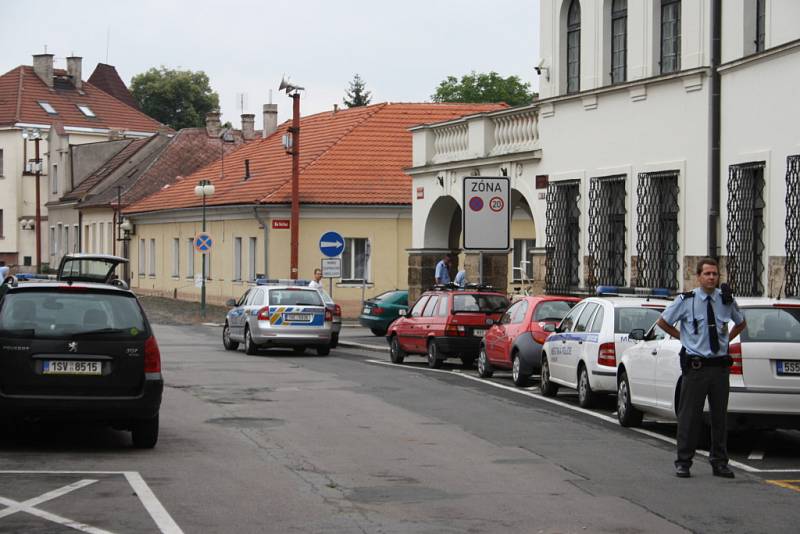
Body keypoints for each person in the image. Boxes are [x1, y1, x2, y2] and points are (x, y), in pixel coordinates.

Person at [656, 257, 746, 479]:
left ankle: (719, 462)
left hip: (719, 368)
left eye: (715, 274)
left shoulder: (725, 300)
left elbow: (741, 322)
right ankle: (684, 462)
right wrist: (683, 338)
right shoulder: (686, 300)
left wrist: (726, 341)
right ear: (698, 277)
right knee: (689, 417)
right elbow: (663, 322)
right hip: (696, 367)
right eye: (707, 274)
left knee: (719, 418)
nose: (711, 277)